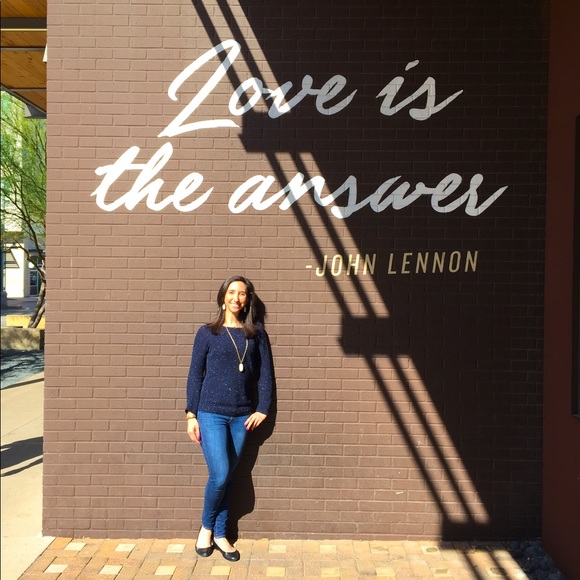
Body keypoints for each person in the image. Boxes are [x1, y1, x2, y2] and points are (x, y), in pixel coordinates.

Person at [185, 275, 273, 562]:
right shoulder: (207, 333)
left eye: (242, 293)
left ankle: (221, 534)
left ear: (247, 300)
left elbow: (265, 374)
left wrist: (263, 408)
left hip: (241, 416)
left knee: (229, 476)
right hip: (211, 413)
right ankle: (207, 528)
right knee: (220, 474)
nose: (237, 297)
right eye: (232, 292)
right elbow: (195, 374)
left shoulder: (256, 334)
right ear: (223, 297)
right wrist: (191, 414)